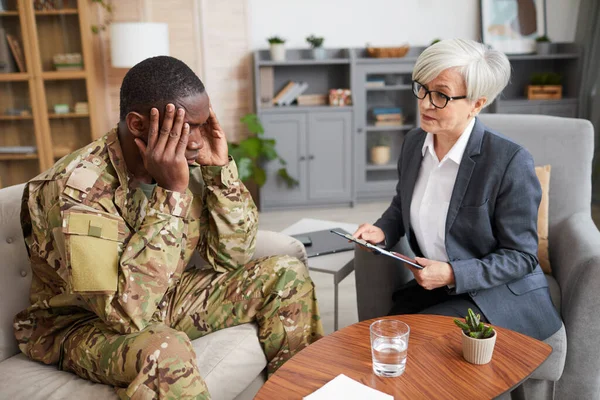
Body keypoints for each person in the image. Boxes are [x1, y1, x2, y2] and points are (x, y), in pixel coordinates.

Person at [14, 56, 323, 399]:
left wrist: (219, 173)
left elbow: (231, 256)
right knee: (165, 348)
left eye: (203, 124)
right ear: (137, 124)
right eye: (185, 126)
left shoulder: (185, 159)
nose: (195, 141)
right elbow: (125, 315)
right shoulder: (77, 187)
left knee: (286, 273)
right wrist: (172, 195)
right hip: (81, 323)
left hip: (164, 295)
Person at [353, 39, 561, 341]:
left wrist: (452, 273)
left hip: (496, 297)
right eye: (422, 89)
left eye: (441, 95)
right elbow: (403, 204)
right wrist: (382, 230)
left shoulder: (509, 161)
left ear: (477, 103)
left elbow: (521, 256)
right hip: (438, 291)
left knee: (411, 346)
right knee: (377, 339)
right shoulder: (414, 143)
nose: (425, 103)